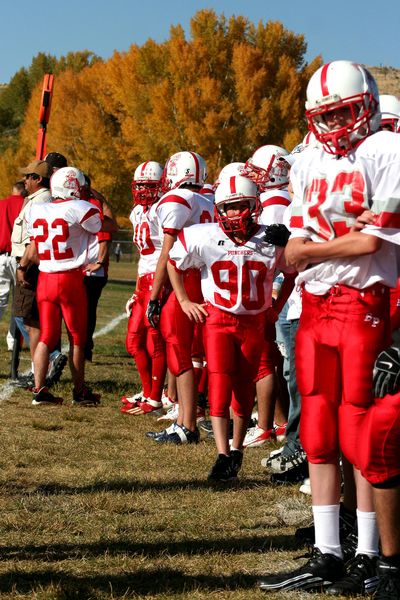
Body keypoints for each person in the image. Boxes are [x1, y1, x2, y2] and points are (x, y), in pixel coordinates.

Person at [259, 60, 400, 596]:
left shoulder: (385, 150)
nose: (336, 123)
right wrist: (303, 253)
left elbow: (370, 243)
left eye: (343, 111)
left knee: (363, 431)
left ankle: (370, 552)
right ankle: (328, 552)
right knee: (317, 427)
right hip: (315, 303)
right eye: (326, 114)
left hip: (363, 300)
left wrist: (309, 251)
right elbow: (296, 241)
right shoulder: (308, 160)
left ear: (364, 105)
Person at [167, 174, 295, 480]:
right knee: (220, 384)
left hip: (253, 321)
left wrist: (276, 307)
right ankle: (222, 454)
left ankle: (237, 449)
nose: (235, 213)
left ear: (255, 205)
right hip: (219, 320)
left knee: (244, 386)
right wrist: (184, 301)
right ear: (219, 209)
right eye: (229, 207)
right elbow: (174, 262)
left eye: (241, 206)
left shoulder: (271, 240)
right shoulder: (203, 235)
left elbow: (292, 272)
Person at [20, 166, 117, 406]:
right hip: (69, 279)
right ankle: (80, 391)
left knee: (46, 336)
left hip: (45, 278)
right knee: (77, 338)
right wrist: (102, 200)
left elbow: (33, 245)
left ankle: (40, 389)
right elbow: (109, 226)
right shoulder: (80, 207)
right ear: (73, 187)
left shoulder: (37, 208)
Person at [145, 151, 213, 445]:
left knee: (177, 347)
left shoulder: (176, 200)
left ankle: (187, 424)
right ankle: (185, 420)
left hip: (185, 278)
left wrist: (154, 293)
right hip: (204, 277)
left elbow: (168, 252)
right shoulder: (207, 200)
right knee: (188, 350)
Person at [121, 160, 167, 414]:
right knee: (133, 341)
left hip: (158, 280)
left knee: (155, 341)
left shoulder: (165, 208)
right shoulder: (136, 211)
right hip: (143, 281)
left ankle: (155, 398)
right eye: (139, 186)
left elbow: (167, 250)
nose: (142, 191)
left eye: (148, 186)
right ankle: (148, 391)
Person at [0, 182, 26, 349]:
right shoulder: (27, 205)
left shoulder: (2, 204)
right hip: (20, 259)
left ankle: (13, 341)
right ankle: (13, 341)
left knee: (0, 299)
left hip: (1, 257)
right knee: (19, 302)